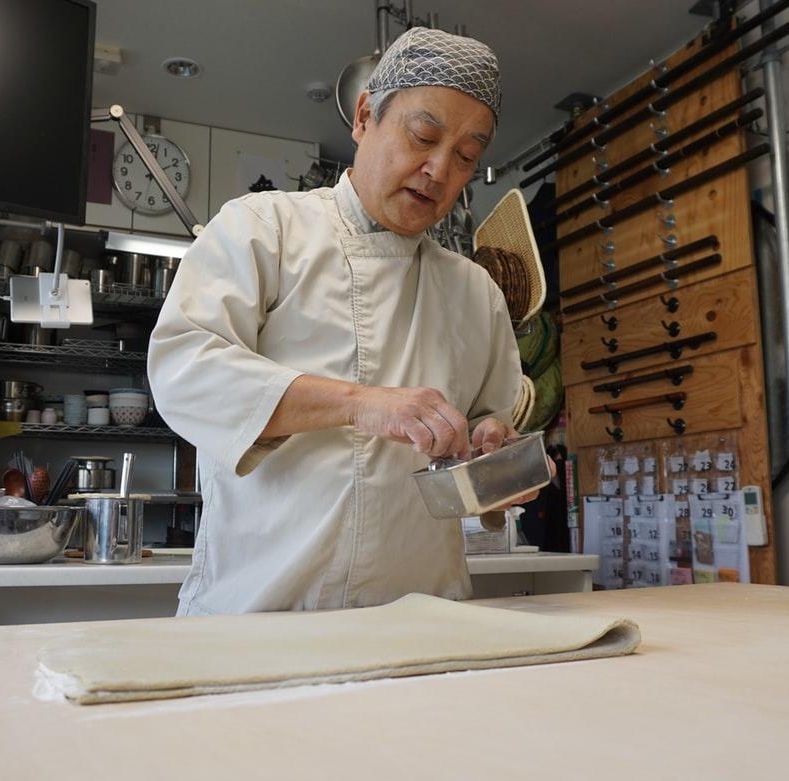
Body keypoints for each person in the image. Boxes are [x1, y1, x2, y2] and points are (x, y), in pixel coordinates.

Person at [149, 27, 537, 616]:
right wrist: (362, 404)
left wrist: (497, 463)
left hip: (422, 618)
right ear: (363, 117)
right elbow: (184, 372)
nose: (438, 170)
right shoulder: (264, 229)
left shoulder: (475, 292)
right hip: (259, 617)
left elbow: (488, 441)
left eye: (465, 156)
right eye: (423, 136)